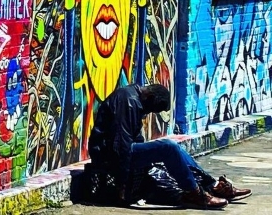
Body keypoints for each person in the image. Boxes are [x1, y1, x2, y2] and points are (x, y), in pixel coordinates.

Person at [88, 84, 252, 209]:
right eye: (151, 110)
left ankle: (213, 186)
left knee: (176, 149)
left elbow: (129, 141)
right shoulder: (129, 101)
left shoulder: (134, 99)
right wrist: (122, 183)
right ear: (149, 98)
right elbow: (120, 146)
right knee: (168, 147)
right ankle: (194, 193)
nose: (148, 113)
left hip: (119, 151)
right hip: (108, 155)